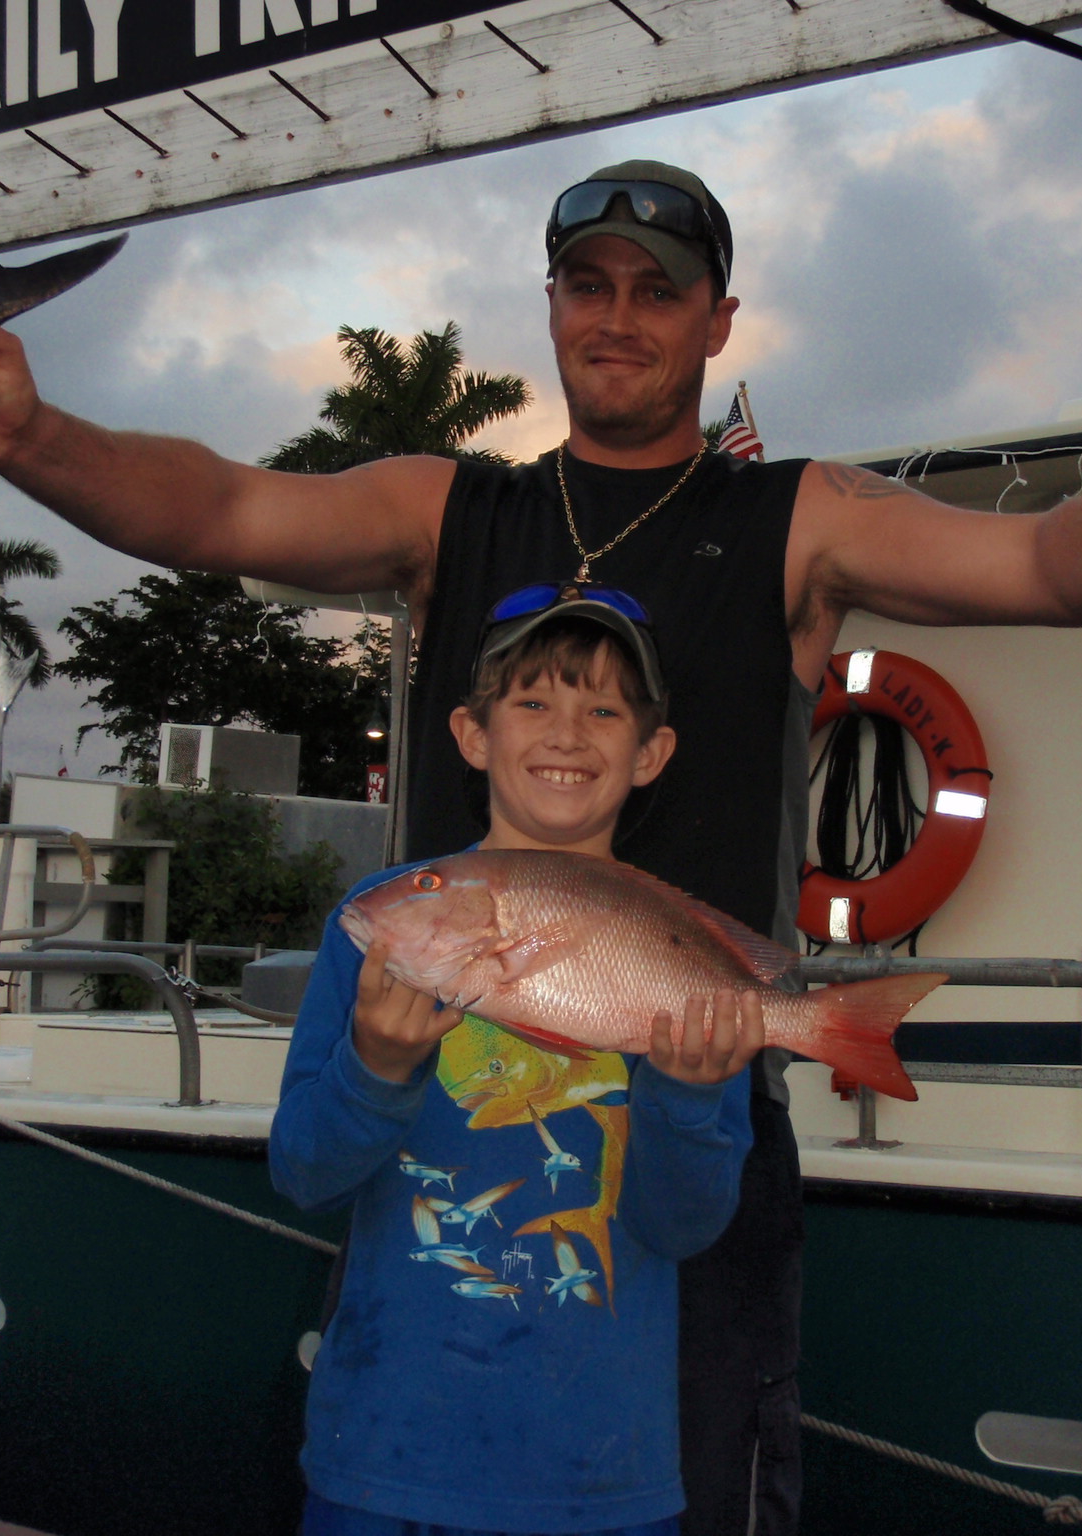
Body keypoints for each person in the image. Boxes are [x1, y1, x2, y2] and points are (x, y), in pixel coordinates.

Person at [0, 160, 1082, 1533]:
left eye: (658, 291)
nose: (617, 317)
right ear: (552, 302)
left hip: (690, 1112)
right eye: (589, 285)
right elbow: (224, 509)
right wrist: (30, 435)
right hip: (441, 1116)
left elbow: (1045, 564)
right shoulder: (445, 507)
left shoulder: (799, 519)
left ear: (718, 319)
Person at [271, 586, 763, 1534]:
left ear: (651, 752)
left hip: (602, 1478)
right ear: (472, 734)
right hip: (383, 1458)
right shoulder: (374, 929)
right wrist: (373, 1068)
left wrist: (686, 1096)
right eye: (532, 702)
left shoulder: (681, 959)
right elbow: (303, 1176)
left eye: (604, 711)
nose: (566, 733)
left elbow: (682, 1227)